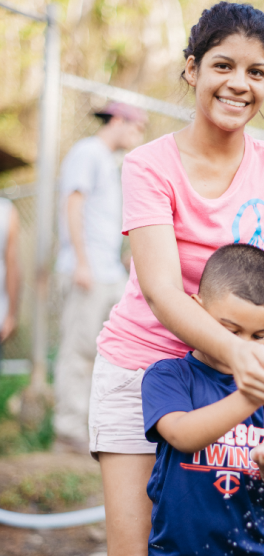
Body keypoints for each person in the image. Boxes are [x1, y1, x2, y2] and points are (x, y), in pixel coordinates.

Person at [90, 3, 264, 556]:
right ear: (192, 70)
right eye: (223, 65)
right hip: (142, 369)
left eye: (257, 71)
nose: (240, 83)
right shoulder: (149, 165)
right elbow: (162, 292)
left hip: (230, 383)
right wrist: (249, 367)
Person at [141, 244, 264, 556]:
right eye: (231, 331)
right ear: (197, 311)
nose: (247, 348)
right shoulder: (169, 376)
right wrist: (250, 396)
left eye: (260, 337)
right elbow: (183, 435)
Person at [53, 102, 147, 452]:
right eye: (137, 127)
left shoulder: (111, 161)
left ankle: (98, 428)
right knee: (78, 350)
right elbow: (73, 204)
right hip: (86, 270)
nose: (139, 135)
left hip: (108, 271)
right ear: (119, 121)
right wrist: (82, 261)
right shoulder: (88, 152)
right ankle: (68, 431)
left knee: (113, 350)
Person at [0, 197, 21, 351]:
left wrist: (11, 314)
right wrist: (11, 314)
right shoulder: (6, 211)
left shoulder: (6, 211)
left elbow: (13, 265)